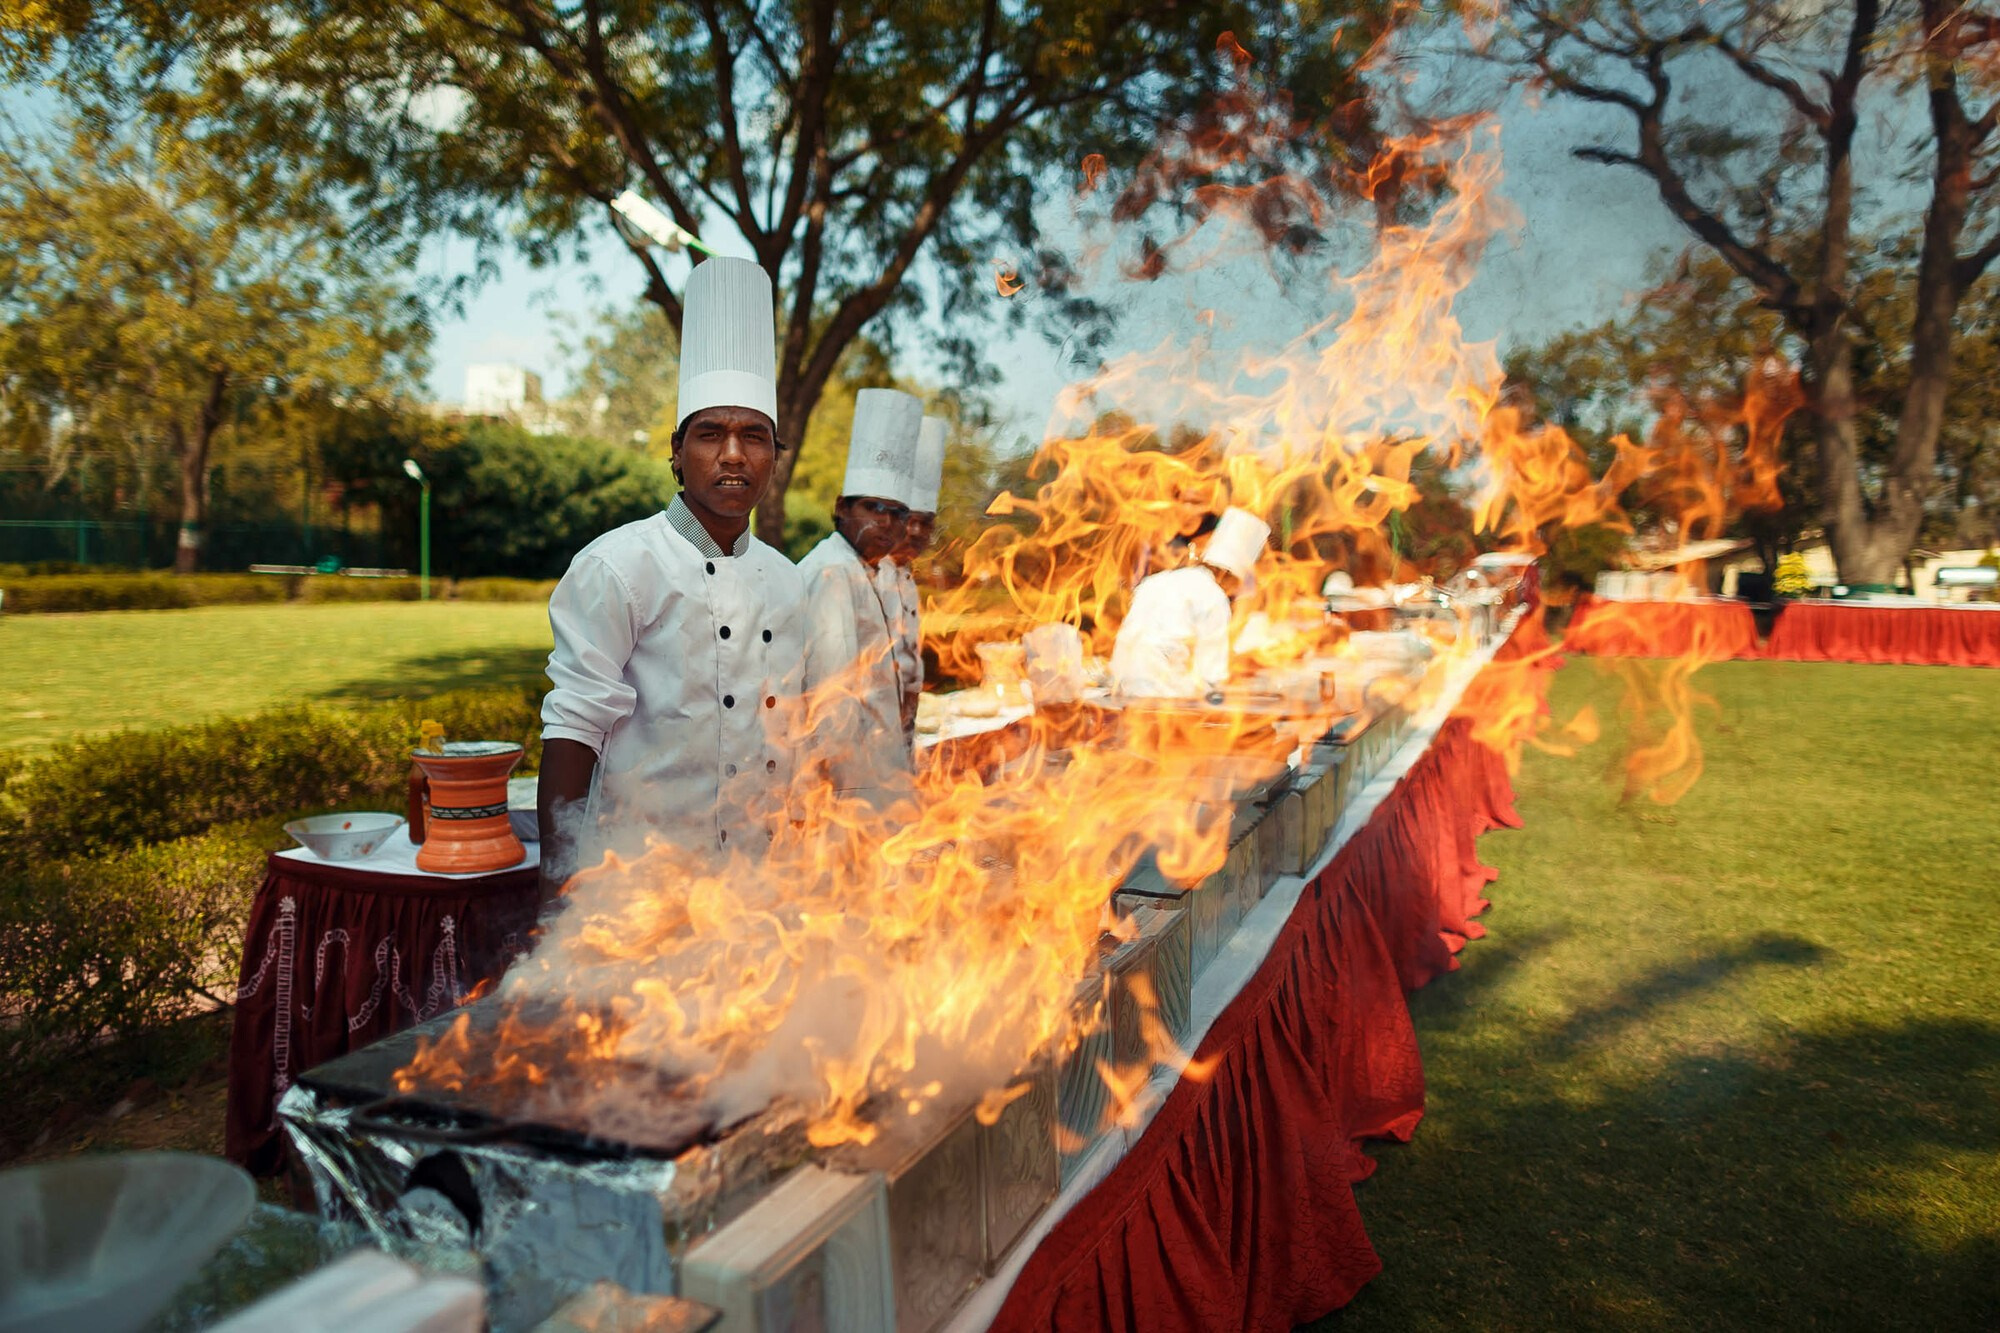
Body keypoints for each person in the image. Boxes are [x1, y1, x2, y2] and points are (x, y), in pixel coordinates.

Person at [535, 256, 809, 903]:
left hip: (760, 887)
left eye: (755, 435)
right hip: (641, 887)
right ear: (677, 452)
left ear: (775, 455)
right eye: (711, 433)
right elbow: (573, 730)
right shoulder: (618, 567)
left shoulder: (790, 581)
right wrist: (556, 891)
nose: (734, 454)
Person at [798, 389, 923, 803]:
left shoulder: (868, 568)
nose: (888, 523)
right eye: (874, 508)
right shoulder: (832, 571)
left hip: (878, 770)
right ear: (841, 508)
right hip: (848, 787)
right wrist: (844, 798)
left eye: (899, 513)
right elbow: (831, 700)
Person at [1109, 506, 1270, 699]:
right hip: (1163, 700)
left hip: (1123, 690)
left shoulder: (1156, 581)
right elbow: (1212, 676)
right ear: (1232, 577)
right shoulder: (1214, 598)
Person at [874, 414, 945, 747]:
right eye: (909, 519)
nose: (916, 531)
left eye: (926, 522)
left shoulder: (907, 577)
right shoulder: (868, 573)